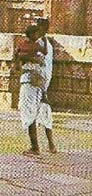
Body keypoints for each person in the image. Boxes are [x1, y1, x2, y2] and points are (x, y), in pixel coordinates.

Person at [16, 25, 46, 155]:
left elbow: (39, 58)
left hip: (32, 81)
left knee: (28, 111)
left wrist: (27, 57)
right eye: (36, 33)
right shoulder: (29, 46)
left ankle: (35, 147)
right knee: (28, 111)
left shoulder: (36, 46)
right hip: (30, 80)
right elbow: (19, 58)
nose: (37, 36)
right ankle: (34, 146)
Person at [35, 17, 56, 153]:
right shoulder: (41, 44)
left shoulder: (44, 45)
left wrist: (42, 89)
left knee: (44, 115)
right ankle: (44, 145)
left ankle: (46, 145)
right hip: (36, 84)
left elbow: (45, 68)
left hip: (39, 85)